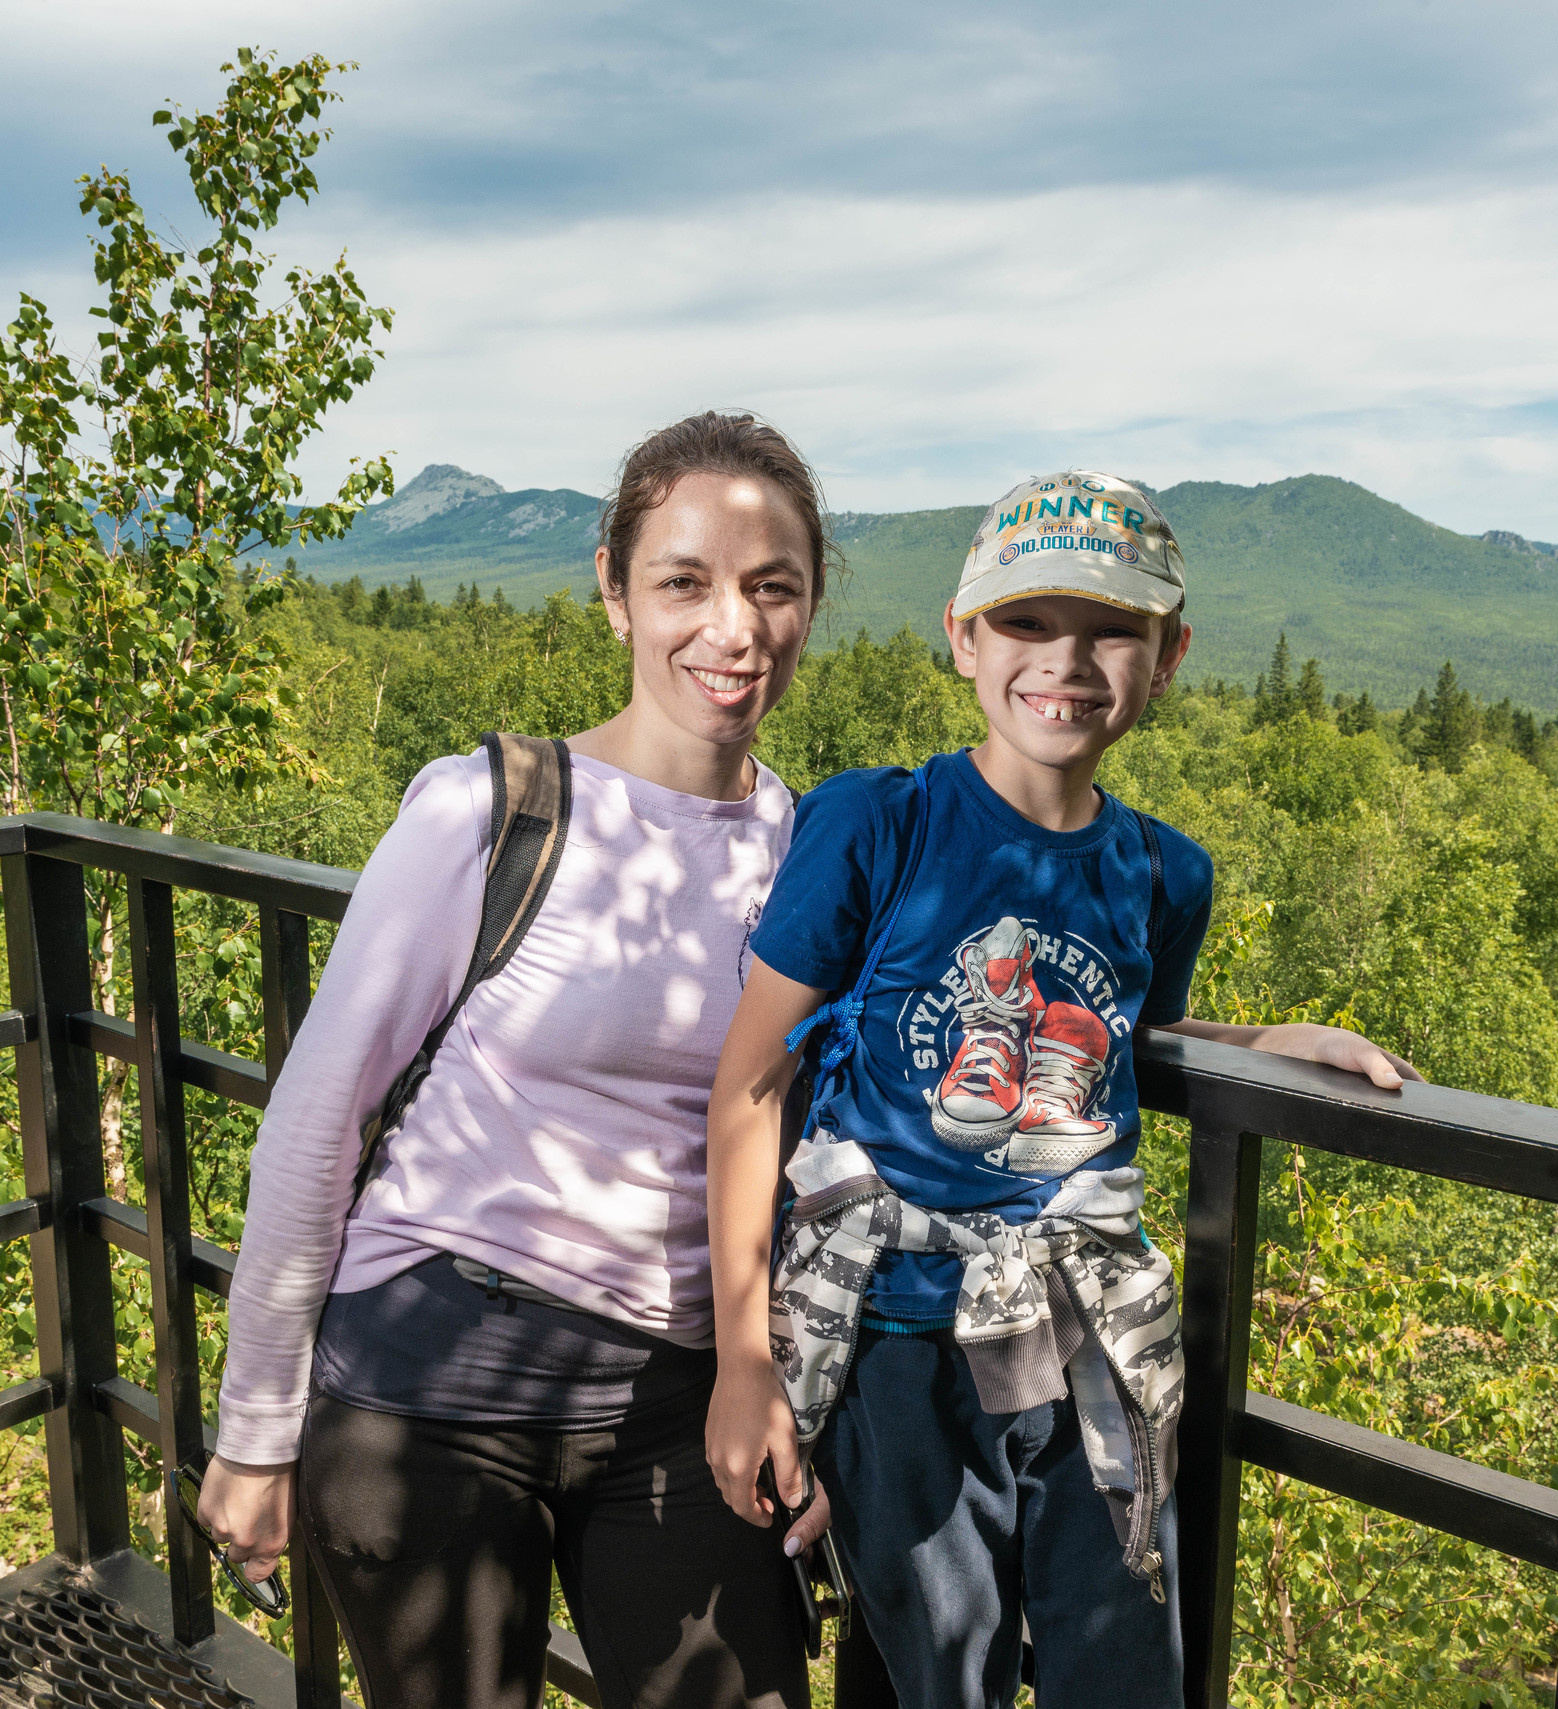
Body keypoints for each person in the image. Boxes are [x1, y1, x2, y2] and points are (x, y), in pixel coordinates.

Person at [702, 471, 1415, 1709]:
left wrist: (1262, 1037)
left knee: (1121, 1670)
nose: (1068, 664)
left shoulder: (1158, 869)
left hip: (1083, 1330)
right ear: (964, 640)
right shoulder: (880, 824)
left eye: (1113, 631)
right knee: (938, 1674)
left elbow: (1120, 1030)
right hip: (900, 1338)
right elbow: (750, 1080)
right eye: (1027, 625)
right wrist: (744, 1356)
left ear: (1169, 654)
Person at [198, 412, 839, 1709]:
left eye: (773, 588)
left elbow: (981, 1003)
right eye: (685, 582)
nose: (734, 629)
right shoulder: (487, 811)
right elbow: (318, 1122)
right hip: (430, 1376)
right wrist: (256, 1433)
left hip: (677, 1395)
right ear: (613, 592)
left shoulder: (809, 846)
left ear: (810, 604)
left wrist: (1245, 1038)